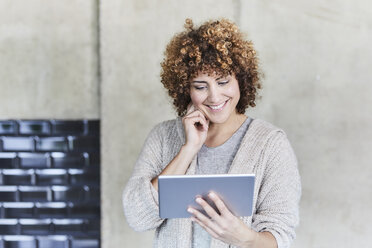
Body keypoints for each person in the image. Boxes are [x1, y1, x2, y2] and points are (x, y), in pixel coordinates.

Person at [123, 18, 301, 248]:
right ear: (185, 89)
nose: (215, 97)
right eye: (200, 86)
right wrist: (188, 150)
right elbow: (137, 217)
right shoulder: (163, 137)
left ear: (241, 80)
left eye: (223, 81)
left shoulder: (271, 144)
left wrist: (244, 238)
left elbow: (281, 237)